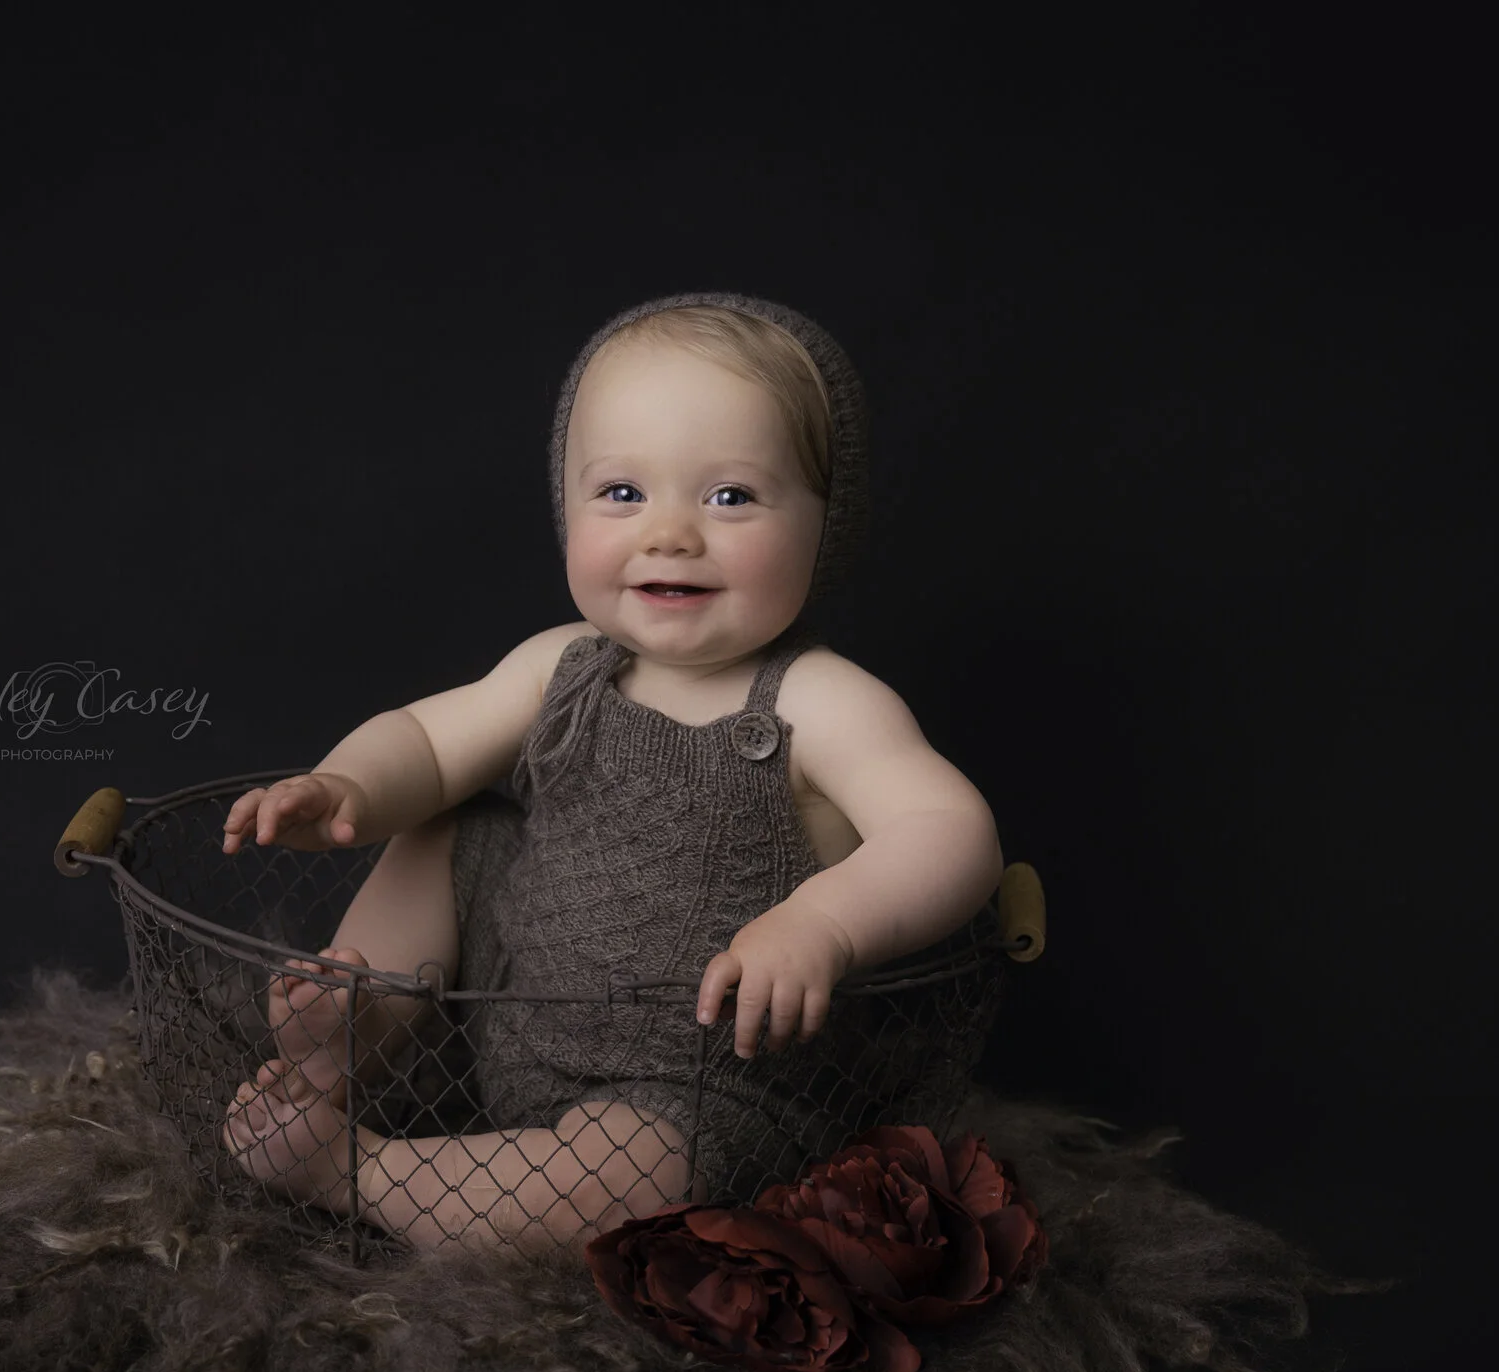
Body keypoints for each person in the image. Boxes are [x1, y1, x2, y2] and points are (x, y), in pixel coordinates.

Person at [218, 294, 1003, 1254]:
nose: (669, 533)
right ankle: (364, 1023)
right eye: (623, 493)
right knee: (448, 827)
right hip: (509, 1004)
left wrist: (822, 924)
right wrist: (347, 788)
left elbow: (949, 830)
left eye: (730, 497)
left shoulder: (822, 702)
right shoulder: (563, 664)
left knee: (631, 1178)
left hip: (701, 1083)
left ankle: (359, 1170)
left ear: (824, 521)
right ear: (567, 505)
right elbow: (426, 743)